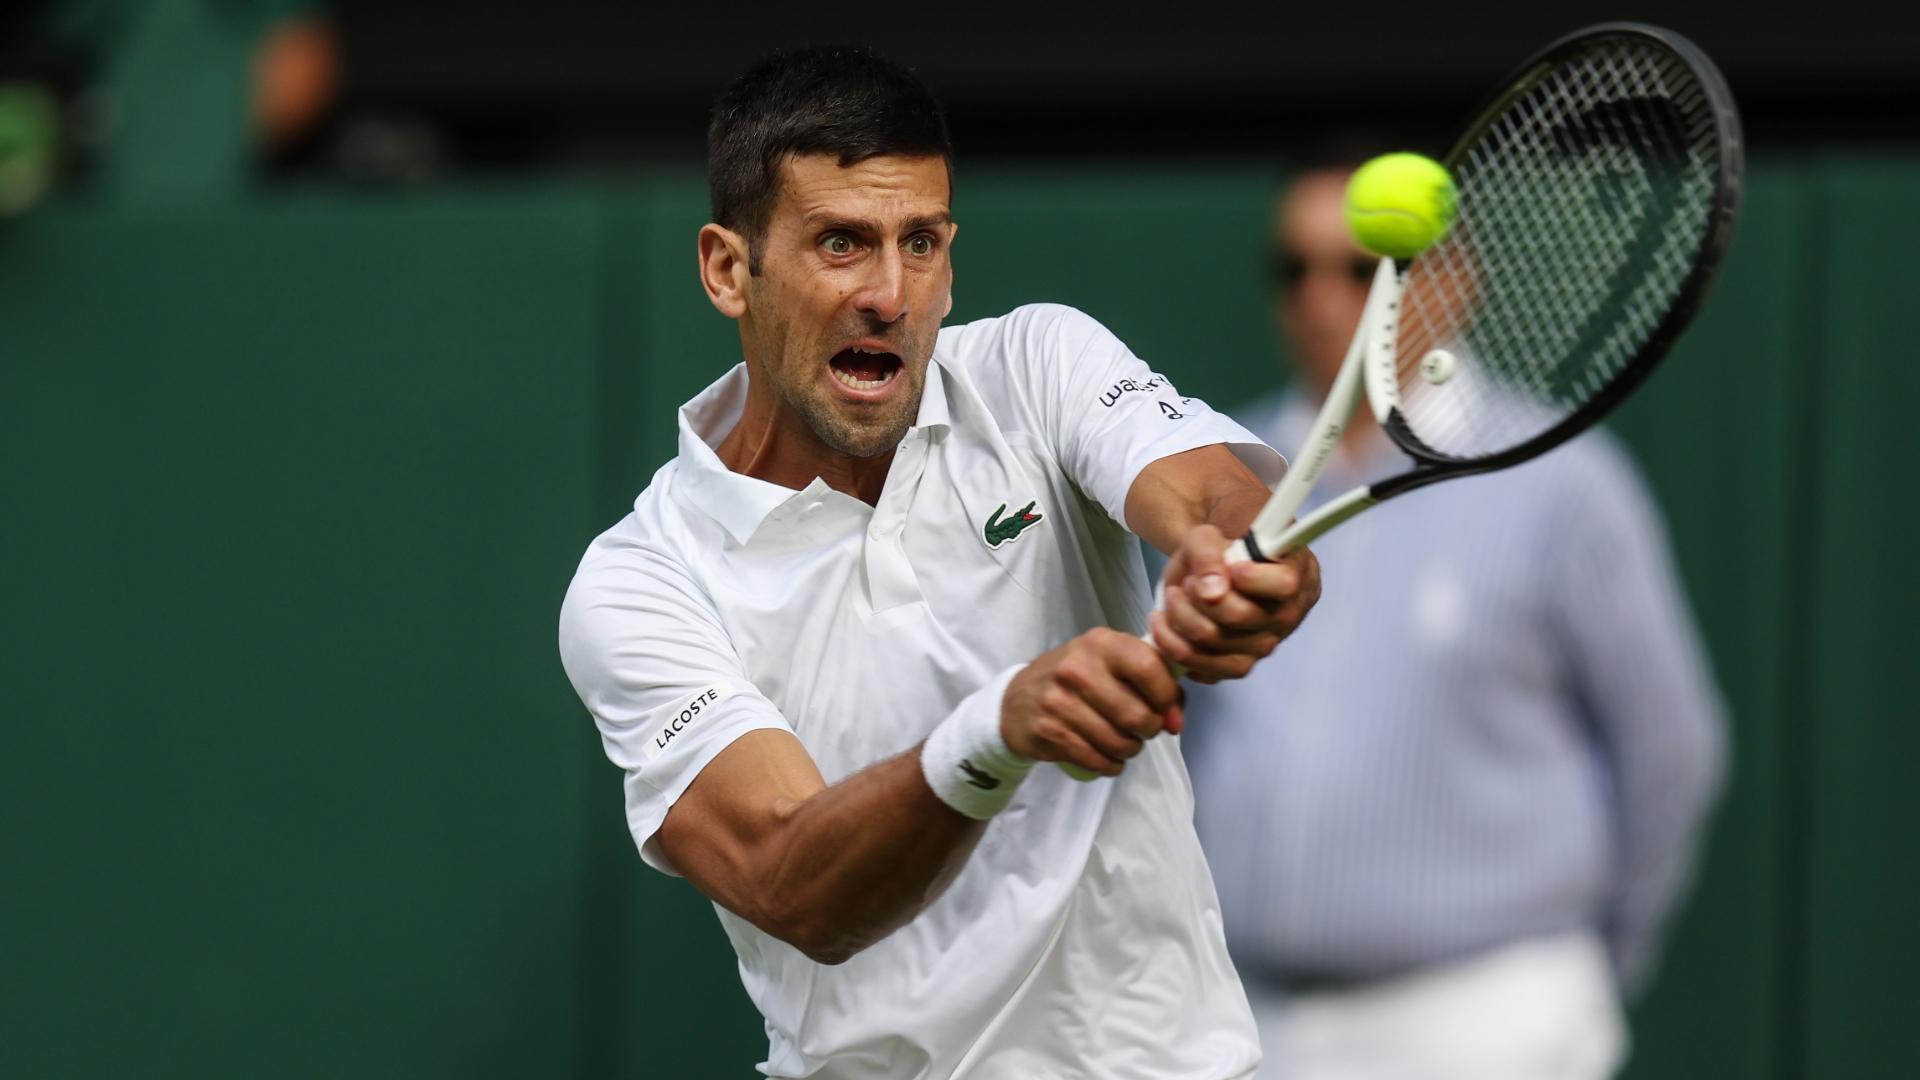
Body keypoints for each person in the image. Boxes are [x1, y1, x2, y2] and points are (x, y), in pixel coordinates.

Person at [558, 47, 1321, 1079]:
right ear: (728, 269)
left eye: (921, 242)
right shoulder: (640, 583)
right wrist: (998, 730)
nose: (890, 293)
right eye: (841, 243)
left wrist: (1230, 561)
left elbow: (1215, 493)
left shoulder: (1036, 364)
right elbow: (796, 883)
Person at [1179, 157, 1728, 1078]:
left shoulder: (1562, 483)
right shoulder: (1219, 474)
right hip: (1252, 1017)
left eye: (1361, 269)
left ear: (1451, 280)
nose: (1322, 298)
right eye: (1294, 269)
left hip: (1488, 1016)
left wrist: (1579, 974)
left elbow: (1672, 748)